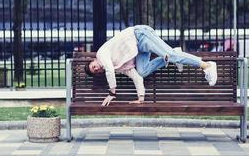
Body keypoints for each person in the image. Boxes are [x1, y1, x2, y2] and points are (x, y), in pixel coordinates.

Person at [84, 25, 217, 106]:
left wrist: (112, 93)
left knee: (170, 55)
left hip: (140, 35)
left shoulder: (101, 54)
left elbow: (108, 71)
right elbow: (136, 77)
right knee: (142, 71)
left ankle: (206, 65)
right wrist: (140, 98)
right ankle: (176, 53)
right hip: (140, 49)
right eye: (95, 71)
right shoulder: (116, 67)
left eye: (93, 66)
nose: (95, 68)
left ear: (94, 60)